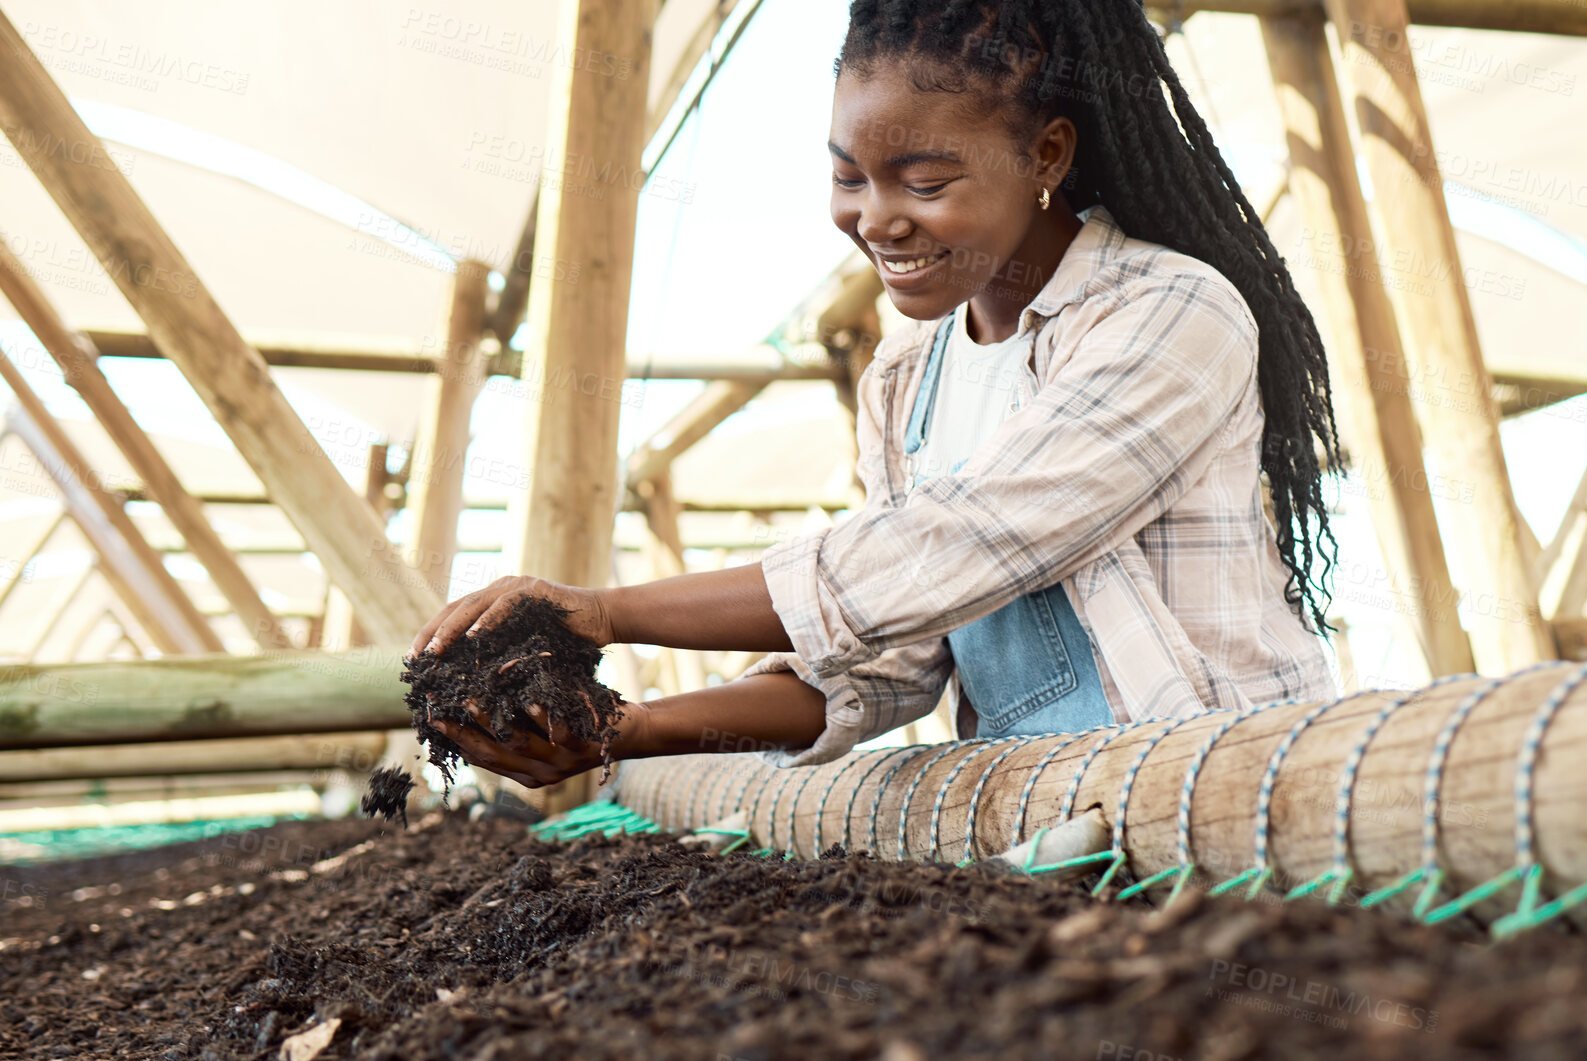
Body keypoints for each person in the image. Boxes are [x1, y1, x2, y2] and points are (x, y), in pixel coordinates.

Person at [409, 0, 1342, 790]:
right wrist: (629, 728)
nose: (877, 218)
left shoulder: (1169, 311)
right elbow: (889, 660)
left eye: (926, 181)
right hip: (1045, 813)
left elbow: (963, 543)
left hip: (1225, 798)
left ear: (1047, 154)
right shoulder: (905, 380)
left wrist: (610, 611)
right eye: (847, 177)